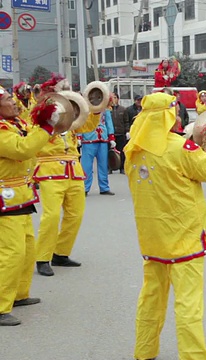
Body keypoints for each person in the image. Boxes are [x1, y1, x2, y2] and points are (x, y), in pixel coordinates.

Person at [124, 92, 206, 359]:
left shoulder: (133, 150)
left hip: (153, 240)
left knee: (151, 299)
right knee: (188, 304)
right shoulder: (179, 148)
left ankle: (144, 351)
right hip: (185, 239)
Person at [0, 86, 61, 326]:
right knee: (11, 253)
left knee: (25, 249)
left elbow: (34, 138)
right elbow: (23, 149)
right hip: (5, 198)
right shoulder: (2, 131)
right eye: (8, 99)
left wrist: (51, 121)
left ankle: (18, 295)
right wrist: (46, 127)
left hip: (21, 196)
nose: (14, 102)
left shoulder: (14, 124)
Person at [34, 105, 102, 277]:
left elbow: (88, 126)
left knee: (75, 215)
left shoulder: (71, 124)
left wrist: (96, 109)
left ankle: (61, 253)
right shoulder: (39, 122)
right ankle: (42, 258)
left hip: (74, 171)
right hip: (50, 171)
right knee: (51, 216)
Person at [79, 104, 116, 195]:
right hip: (88, 138)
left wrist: (111, 137)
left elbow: (108, 121)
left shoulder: (105, 107)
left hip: (102, 138)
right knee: (86, 165)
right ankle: (84, 188)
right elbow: (80, 122)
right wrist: (79, 136)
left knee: (103, 164)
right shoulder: (84, 107)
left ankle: (104, 187)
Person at [110, 93, 130, 174]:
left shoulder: (123, 109)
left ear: (118, 99)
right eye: (112, 98)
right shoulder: (107, 110)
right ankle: (110, 167)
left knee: (122, 152)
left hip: (121, 134)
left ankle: (122, 167)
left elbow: (126, 121)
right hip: (111, 134)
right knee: (110, 152)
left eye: (115, 97)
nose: (113, 99)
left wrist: (127, 131)